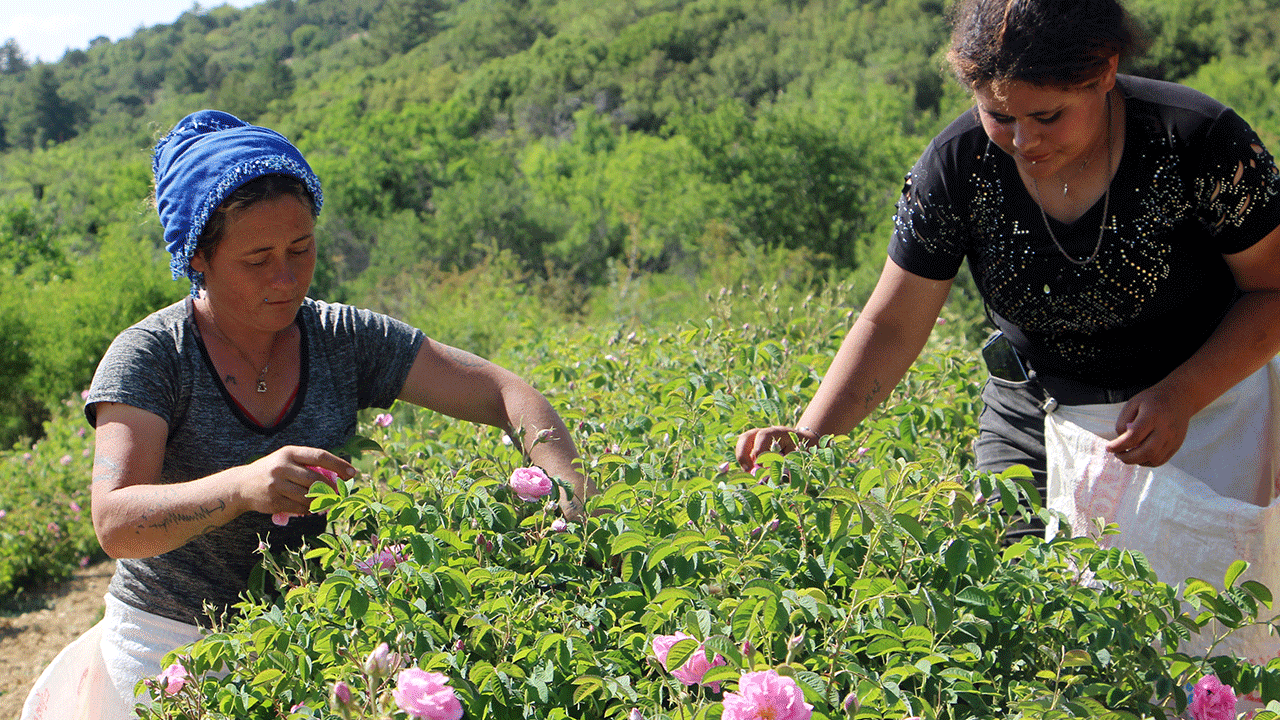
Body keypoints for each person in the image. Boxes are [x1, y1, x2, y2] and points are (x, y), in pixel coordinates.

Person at [23, 109, 596, 720]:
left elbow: (505, 393)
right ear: (198, 259)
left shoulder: (342, 337)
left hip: (313, 635)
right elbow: (116, 521)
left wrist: (570, 495)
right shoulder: (152, 356)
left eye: (301, 248)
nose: (286, 276)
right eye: (257, 258)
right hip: (168, 649)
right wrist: (242, 487)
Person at [736, 0, 1280, 541]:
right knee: (1024, 604)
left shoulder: (1198, 142)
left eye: (1048, 116)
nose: (1024, 142)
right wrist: (809, 439)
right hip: (1036, 417)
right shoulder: (956, 166)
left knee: (1205, 612)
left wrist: (1182, 395)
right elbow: (893, 322)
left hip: (1208, 412)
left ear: (1105, 71)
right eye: (999, 117)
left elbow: (1272, 292)